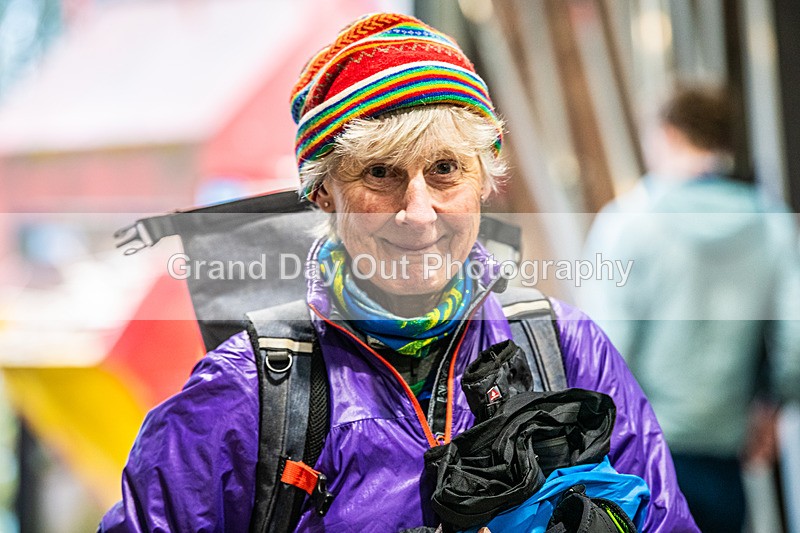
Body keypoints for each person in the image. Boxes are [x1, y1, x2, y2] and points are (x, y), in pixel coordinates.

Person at [100, 13, 698, 532]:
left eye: (445, 169)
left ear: (484, 181)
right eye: (381, 173)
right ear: (323, 194)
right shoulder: (249, 393)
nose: (418, 213)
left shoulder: (565, 352)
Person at [581, 86, 800, 532]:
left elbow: (604, 350)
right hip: (726, 455)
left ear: (666, 134)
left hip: (641, 460)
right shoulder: (772, 223)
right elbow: (794, 340)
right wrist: (772, 408)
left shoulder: (627, 223)